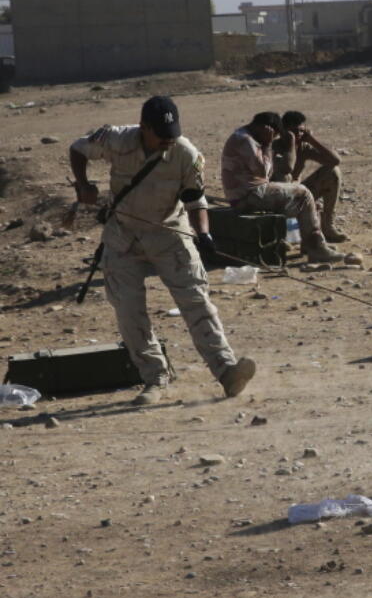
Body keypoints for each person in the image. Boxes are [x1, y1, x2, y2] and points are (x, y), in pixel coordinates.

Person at [68, 96, 257, 405]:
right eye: (161, 134)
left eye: (173, 132)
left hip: (170, 233)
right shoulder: (115, 138)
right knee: (130, 312)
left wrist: (204, 235)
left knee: (196, 302)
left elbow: (196, 201)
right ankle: (155, 378)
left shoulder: (187, 153)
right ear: (144, 127)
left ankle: (227, 372)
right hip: (122, 236)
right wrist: (83, 185)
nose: (169, 139)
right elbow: (77, 148)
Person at [221, 112, 344, 263]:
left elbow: (335, 160)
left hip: (250, 193)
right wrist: (269, 144)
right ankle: (316, 248)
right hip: (249, 195)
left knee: (324, 179)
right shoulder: (247, 141)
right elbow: (271, 171)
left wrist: (311, 139)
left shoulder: (244, 137)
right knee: (303, 194)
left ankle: (317, 237)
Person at [271, 110, 347, 243]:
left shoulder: (304, 147)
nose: (298, 135)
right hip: (275, 199)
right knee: (285, 178)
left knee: (333, 172)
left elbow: (335, 161)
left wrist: (312, 140)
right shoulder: (274, 147)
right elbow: (285, 169)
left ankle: (327, 226)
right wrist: (291, 143)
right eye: (294, 131)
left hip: (299, 195)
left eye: (301, 131)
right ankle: (281, 234)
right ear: (284, 131)